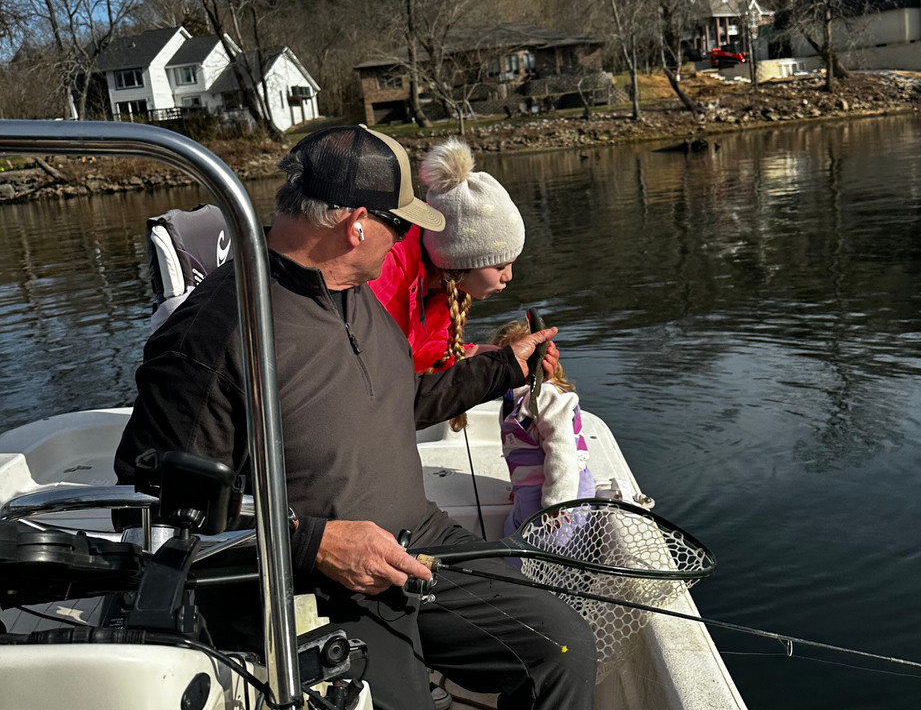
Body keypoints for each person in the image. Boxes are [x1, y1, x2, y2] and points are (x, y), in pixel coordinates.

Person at [113, 125, 596, 710]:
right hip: (327, 584)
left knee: (561, 647)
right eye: (402, 226)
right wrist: (314, 543)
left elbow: (397, 402)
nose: (409, 242)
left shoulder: (355, 291)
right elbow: (154, 510)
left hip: (420, 540)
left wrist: (503, 368)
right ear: (358, 224)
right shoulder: (212, 335)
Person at [369, 137, 524, 375]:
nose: (508, 277)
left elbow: (428, 355)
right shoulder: (385, 274)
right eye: (499, 266)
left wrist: (491, 358)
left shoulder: (447, 287)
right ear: (460, 259)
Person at [492, 320, 596, 537]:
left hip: (561, 502)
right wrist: (519, 486)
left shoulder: (544, 397)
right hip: (531, 494)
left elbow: (562, 450)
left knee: (546, 547)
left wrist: (557, 503)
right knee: (511, 530)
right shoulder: (513, 401)